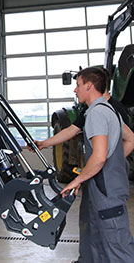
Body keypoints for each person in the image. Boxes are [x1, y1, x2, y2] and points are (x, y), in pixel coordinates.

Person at [32, 67, 134, 262]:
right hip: (103, 187)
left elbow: (99, 157)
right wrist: (113, 165)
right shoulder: (103, 110)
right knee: (97, 240)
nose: (75, 90)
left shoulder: (97, 114)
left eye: (78, 85)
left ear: (89, 86)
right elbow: (127, 141)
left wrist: (76, 180)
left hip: (107, 192)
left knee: (117, 246)